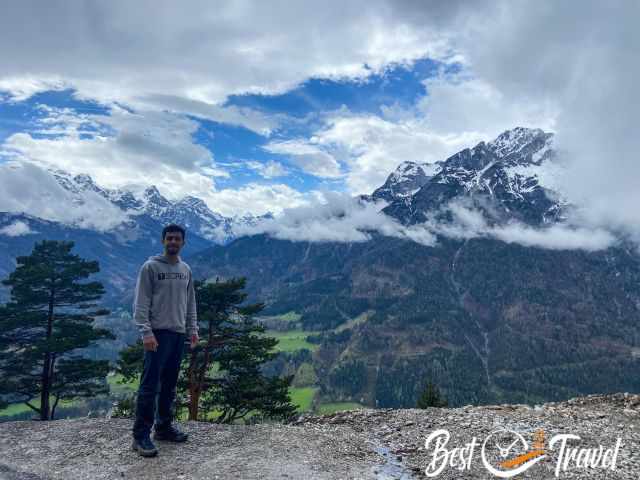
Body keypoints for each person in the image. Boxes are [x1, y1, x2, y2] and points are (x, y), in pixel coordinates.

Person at [130, 223, 199, 457]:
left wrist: (193, 329)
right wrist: (146, 332)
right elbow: (141, 303)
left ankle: (163, 427)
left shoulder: (186, 269)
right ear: (163, 241)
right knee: (149, 387)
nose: (173, 242)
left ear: (183, 242)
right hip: (157, 334)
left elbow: (190, 303)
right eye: (169, 238)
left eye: (177, 239)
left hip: (179, 334)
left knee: (169, 385)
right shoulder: (150, 267)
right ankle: (140, 436)